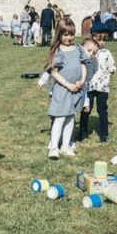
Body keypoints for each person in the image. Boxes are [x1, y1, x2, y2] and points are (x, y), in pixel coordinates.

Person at [44, 17, 89, 159]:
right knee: (60, 117)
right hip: (63, 88)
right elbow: (54, 73)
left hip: (76, 87)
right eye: (65, 34)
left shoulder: (78, 49)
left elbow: (83, 64)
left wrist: (82, 80)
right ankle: (54, 147)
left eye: (72, 34)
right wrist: (68, 84)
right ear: (59, 34)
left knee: (70, 117)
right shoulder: (58, 51)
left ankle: (65, 146)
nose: (69, 37)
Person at [78, 32, 116, 143]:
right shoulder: (87, 52)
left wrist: (106, 78)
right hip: (89, 86)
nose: (101, 42)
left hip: (102, 88)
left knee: (102, 110)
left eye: (104, 40)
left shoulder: (107, 53)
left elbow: (112, 68)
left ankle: (104, 135)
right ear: (93, 38)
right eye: (98, 39)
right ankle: (82, 133)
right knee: (85, 110)